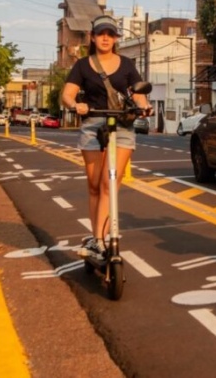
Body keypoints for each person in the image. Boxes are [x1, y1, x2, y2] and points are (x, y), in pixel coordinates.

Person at [60, 15, 152, 259]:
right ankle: (96, 238)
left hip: (121, 125)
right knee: (94, 185)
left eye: (110, 34)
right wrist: (75, 104)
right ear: (92, 37)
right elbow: (67, 94)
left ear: (116, 39)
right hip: (93, 125)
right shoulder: (82, 65)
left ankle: (102, 240)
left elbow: (139, 92)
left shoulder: (127, 65)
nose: (105, 38)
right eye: (101, 34)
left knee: (109, 183)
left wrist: (145, 105)